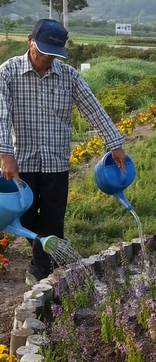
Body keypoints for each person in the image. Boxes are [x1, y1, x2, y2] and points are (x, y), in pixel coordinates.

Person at [0, 18, 127, 283]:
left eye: (53, 55)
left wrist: (114, 144)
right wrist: (5, 154)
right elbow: (0, 114)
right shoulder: (8, 72)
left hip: (56, 162)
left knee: (53, 217)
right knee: (22, 216)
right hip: (22, 161)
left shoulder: (68, 76)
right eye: (43, 51)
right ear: (29, 40)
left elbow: (92, 109)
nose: (47, 59)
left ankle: (40, 271)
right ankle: (46, 252)